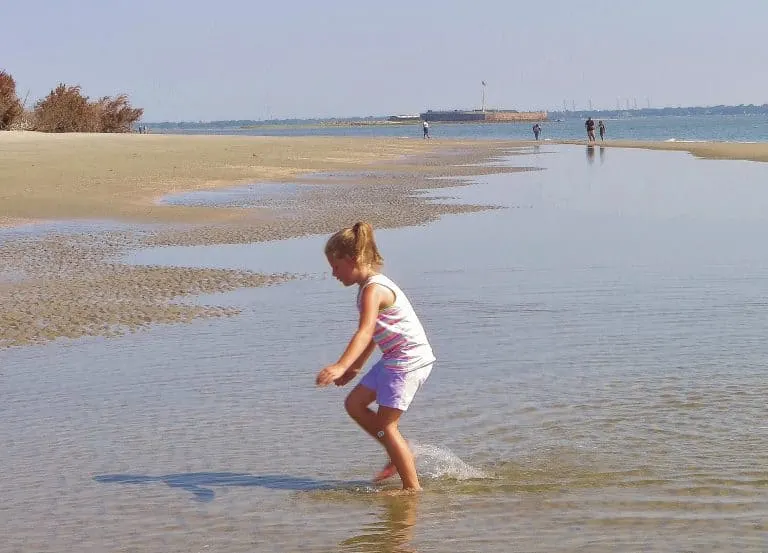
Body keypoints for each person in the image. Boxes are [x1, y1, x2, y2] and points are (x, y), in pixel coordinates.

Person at [316, 222, 436, 491]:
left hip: (407, 360)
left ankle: (411, 489)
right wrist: (354, 368)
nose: (333, 274)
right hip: (393, 358)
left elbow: (365, 329)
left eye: (335, 267)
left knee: (386, 425)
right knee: (355, 404)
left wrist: (340, 365)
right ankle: (399, 452)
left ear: (353, 259)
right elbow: (373, 335)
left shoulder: (374, 289)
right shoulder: (366, 289)